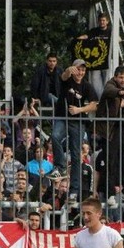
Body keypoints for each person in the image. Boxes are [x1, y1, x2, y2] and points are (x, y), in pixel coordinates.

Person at [49, 59, 98, 204]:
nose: (80, 72)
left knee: (76, 154)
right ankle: (61, 166)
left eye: (83, 70)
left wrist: (79, 110)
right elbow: (62, 77)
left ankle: (75, 190)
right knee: (55, 136)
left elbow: (95, 104)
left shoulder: (87, 86)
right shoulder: (68, 79)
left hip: (78, 121)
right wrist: (68, 71)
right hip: (62, 117)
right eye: (78, 69)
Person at [95, 66, 124, 206]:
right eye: (121, 78)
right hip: (111, 129)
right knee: (110, 161)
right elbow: (108, 91)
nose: (123, 80)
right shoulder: (110, 84)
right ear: (115, 77)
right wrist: (120, 93)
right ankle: (110, 193)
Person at [77, 12, 112, 98]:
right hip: (95, 61)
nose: (102, 22)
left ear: (107, 21)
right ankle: (100, 99)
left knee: (107, 80)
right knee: (95, 81)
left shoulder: (111, 31)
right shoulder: (94, 31)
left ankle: (106, 98)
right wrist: (78, 39)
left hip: (107, 60)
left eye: (103, 20)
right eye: (100, 20)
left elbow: (118, 38)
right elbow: (86, 36)